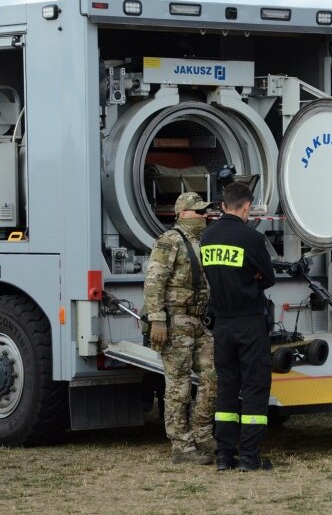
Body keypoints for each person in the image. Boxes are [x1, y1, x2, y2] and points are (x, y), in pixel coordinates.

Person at [200, 182, 276, 472]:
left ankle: (224, 457)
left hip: (222, 325)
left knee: (227, 390)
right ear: (246, 207)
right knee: (255, 388)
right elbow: (267, 278)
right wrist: (251, 278)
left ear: (222, 206)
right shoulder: (251, 238)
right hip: (249, 322)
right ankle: (249, 458)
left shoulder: (207, 237)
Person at [143, 191, 217, 465]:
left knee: (212, 378)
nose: (203, 216)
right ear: (182, 213)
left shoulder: (202, 241)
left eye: (204, 211)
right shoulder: (169, 241)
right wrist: (158, 320)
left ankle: (203, 436)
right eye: (198, 211)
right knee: (179, 387)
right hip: (175, 322)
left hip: (198, 321)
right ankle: (181, 445)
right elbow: (154, 282)